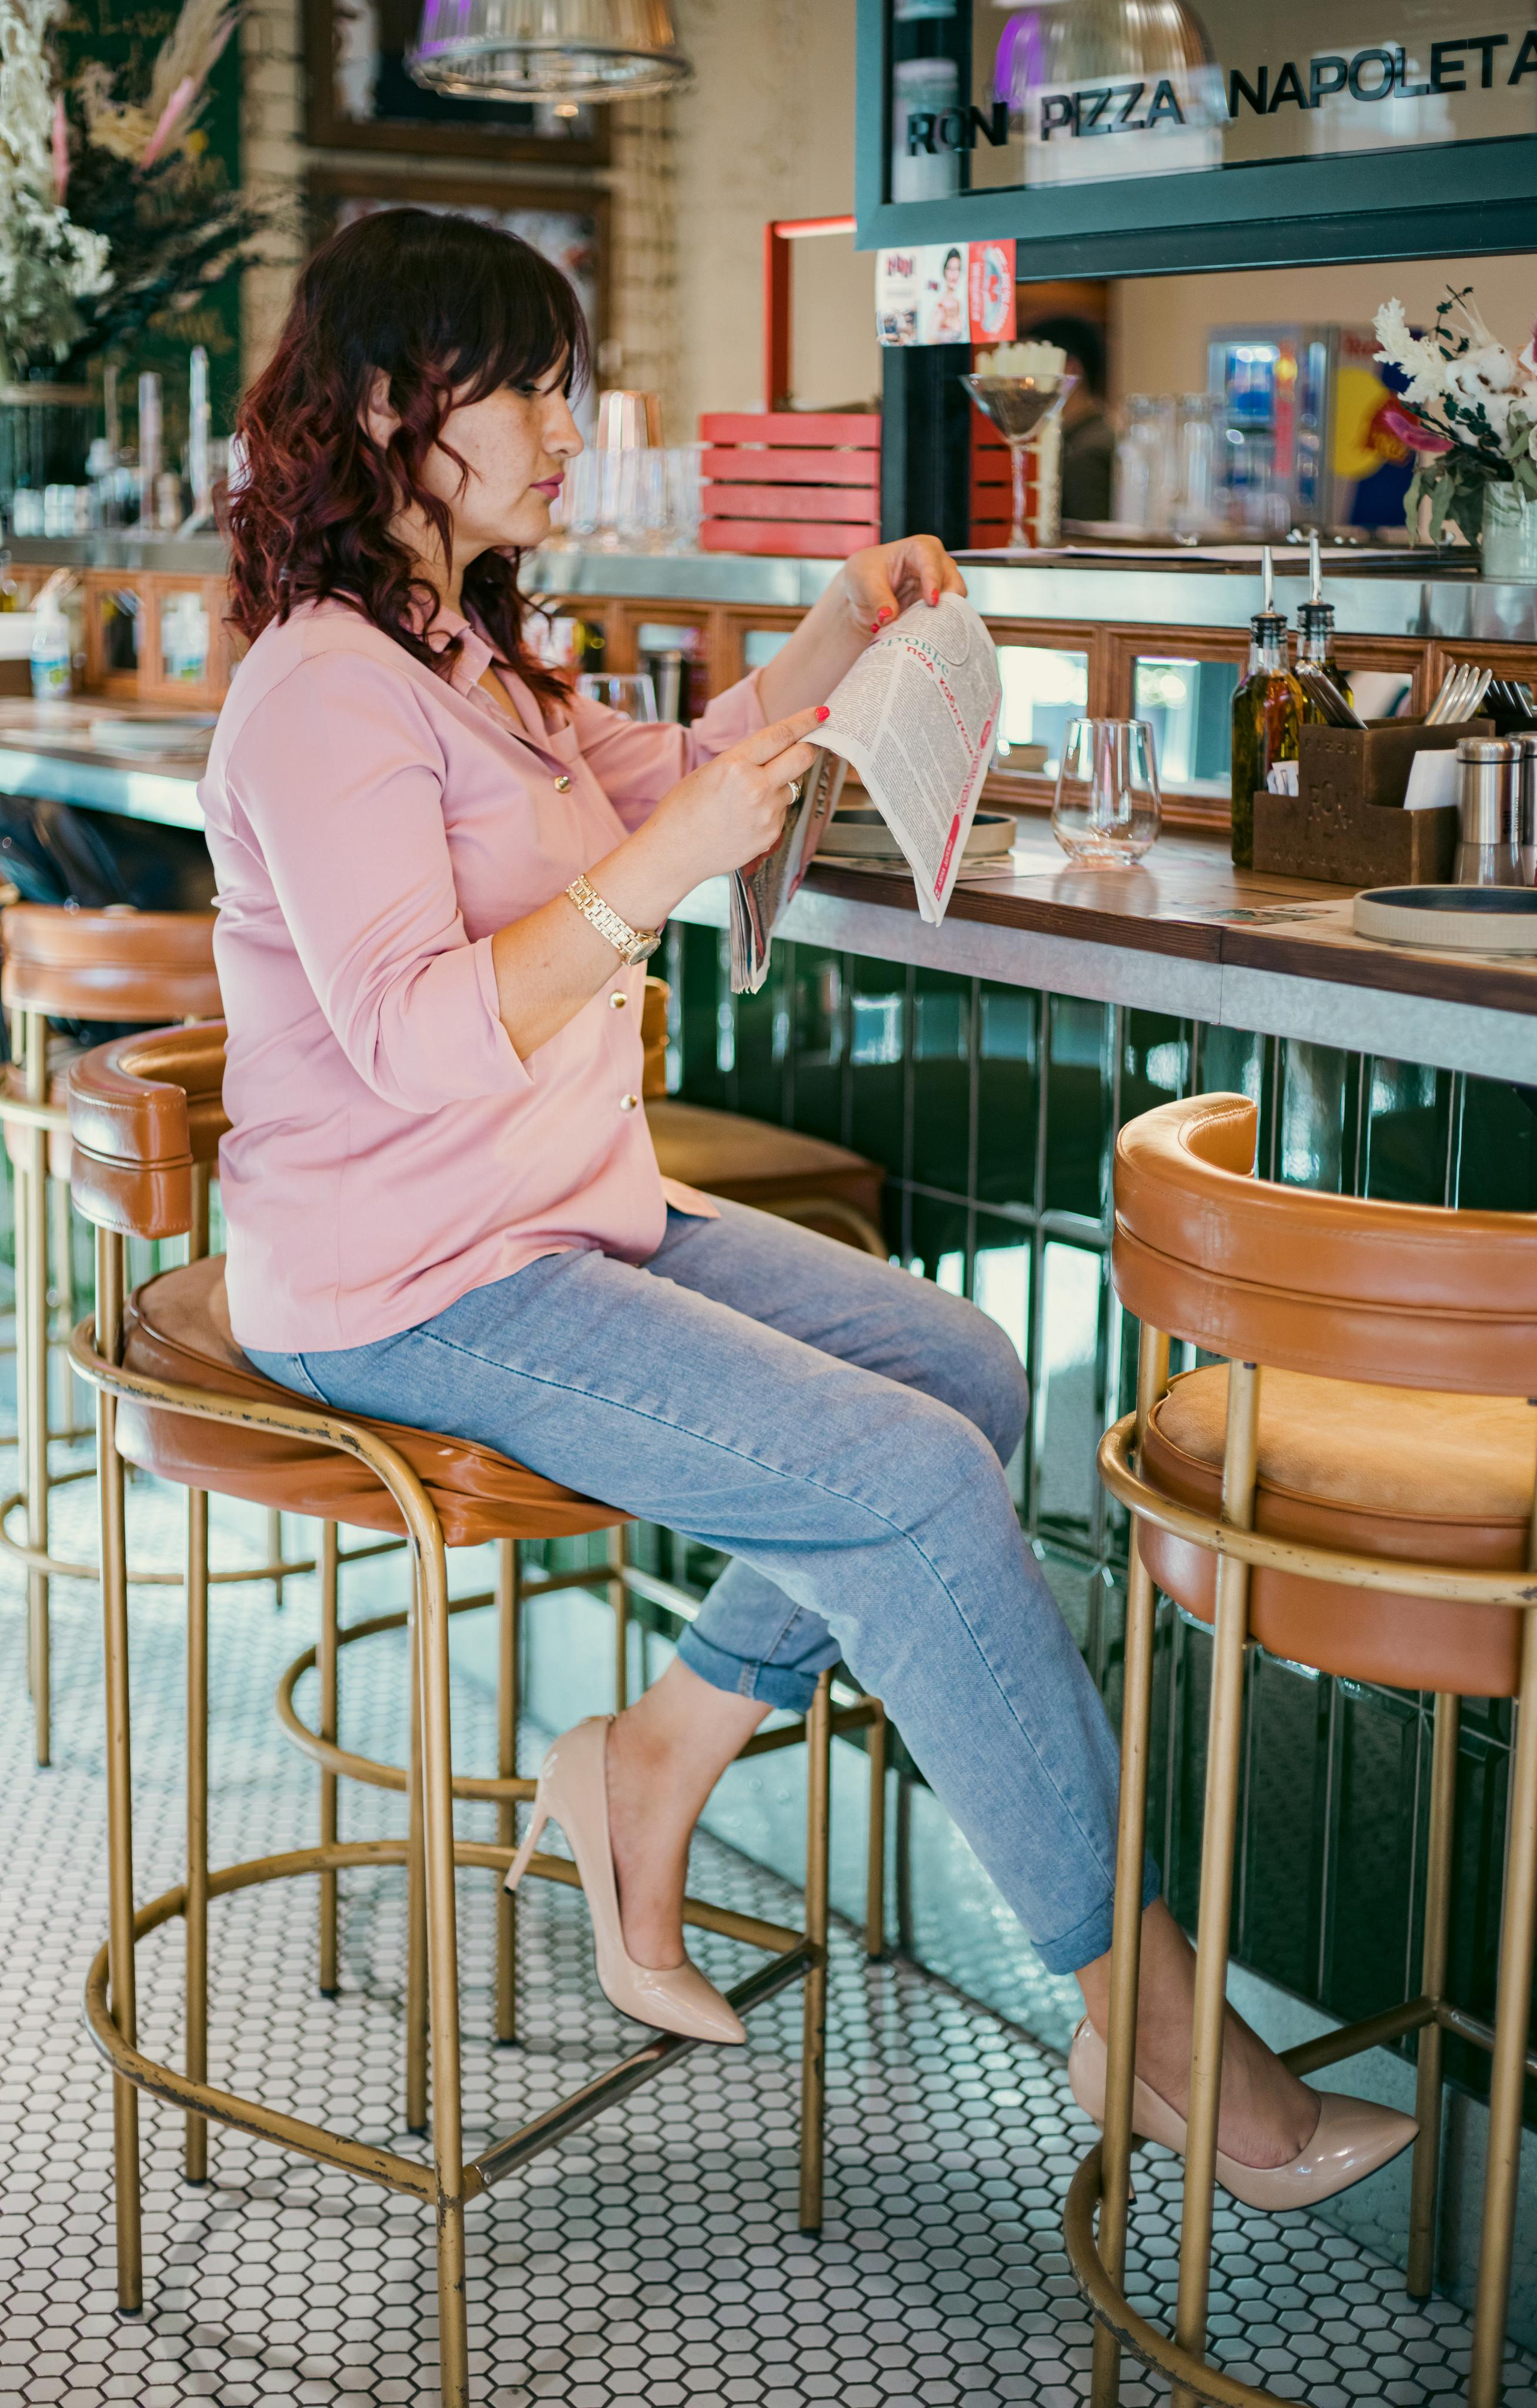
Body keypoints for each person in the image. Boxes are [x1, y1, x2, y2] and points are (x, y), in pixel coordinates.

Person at [211, 208, 1412, 2197]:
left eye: (562, 385)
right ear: (371, 406)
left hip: (548, 1214)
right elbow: (426, 1038)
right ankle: (1162, 2025)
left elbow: (682, 766)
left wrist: (840, 640)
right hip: (403, 1276)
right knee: (915, 1479)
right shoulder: (326, 691)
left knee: (965, 1366)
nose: (561, 425)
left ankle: (654, 1756)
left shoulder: (475, 652)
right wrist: (666, 854)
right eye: (517, 385)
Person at [1025, 310, 1116, 523]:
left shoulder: (1088, 453)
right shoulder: (1086, 437)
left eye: (1029, 365)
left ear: (1070, 369)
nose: (1022, 381)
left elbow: (1090, 538)